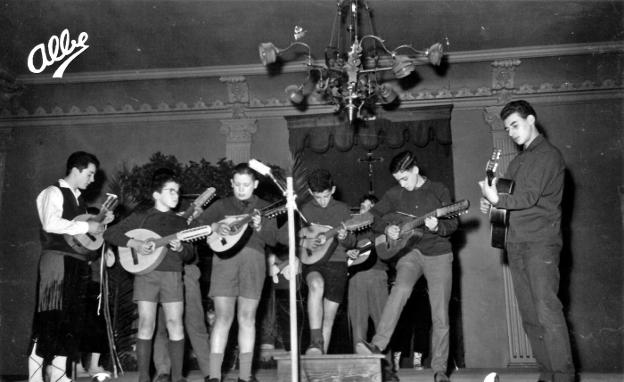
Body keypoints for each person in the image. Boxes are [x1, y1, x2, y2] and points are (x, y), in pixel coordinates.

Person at [479, 100, 574, 382]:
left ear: (531, 120)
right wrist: (491, 205)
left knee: (547, 311)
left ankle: (564, 376)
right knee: (530, 316)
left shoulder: (548, 155)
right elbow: (508, 199)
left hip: (540, 244)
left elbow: (528, 196)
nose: (510, 132)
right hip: (517, 243)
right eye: (507, 128)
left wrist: (498, 198)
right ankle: (548, 375)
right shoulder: (519, 161)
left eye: (515, 125)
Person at [356, 150, 458, 382]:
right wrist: (386, 228)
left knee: (440, 312)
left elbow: (452, 222)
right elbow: (373, 215)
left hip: (438, 253)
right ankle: (377, 346)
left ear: (415, 170)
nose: (403, 184)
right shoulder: (395, 193)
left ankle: (440, 370)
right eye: (398, 180)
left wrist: (437, 227)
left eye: (405, 178)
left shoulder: (438, 190)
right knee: (399, 291)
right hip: (410, 252)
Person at [195, 163, 286, 382]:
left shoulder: (265, 207)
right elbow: (198, 224)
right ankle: (214, 376)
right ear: (231, 184)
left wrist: (259, 226)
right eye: (237, 185)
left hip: (253, 264)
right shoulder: (221, 205)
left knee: (247, 318)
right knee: (222, 317)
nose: (241, 189)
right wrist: (215, 227)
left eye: (246, 185)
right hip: (224, 263)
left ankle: (245, 376)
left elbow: (273, 239)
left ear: (255, 184)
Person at [28, 151, 113, 382]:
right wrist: (88, 228)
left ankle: (58, 376)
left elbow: (84, 234)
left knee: (69, 320)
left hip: (77, 264)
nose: (92, 179)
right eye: (90, 173)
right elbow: (51, 222)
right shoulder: (52, 192)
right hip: (56, 262)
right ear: (76, 169)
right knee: (50, 318)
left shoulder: (80, 200)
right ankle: (35, 378)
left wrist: (100, 224)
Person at [104, 169, 194, 382]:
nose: (176, 196)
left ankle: (178, 376)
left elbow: (190, 254)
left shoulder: (181, 223)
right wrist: (135, 243)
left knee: (175, 323)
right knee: (146, 323)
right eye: (170, 191)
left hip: (172, 274)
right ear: (156, 194)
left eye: (178, 192)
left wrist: (181, 248)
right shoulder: (141, 217)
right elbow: (110, 233)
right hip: (146, 274)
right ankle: (144, 377)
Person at [298, 169, 355, 355]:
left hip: (337, 261)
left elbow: (351, 242)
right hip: (312, 261)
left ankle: (319, 360)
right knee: (315, 284)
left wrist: (345, 237)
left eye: (326, 196)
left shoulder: (342, 209)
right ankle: (315, 341)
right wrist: (306, 241)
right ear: (310, 192)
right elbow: (294, 237)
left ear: (333, 190)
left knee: (328, 318)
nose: (322, 201)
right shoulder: (305, 209)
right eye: (317, 197)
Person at [346, 195, 389, 351]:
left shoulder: (383, 227)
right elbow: (344, 247)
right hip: (356, 277)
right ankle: (361, 364)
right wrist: (349, 252)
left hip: (377, 274)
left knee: (382, 323)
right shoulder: (352, 228)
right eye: (362, 206)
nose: (365, 210)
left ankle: (386, 367)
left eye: (369, 207)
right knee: (358, 323)